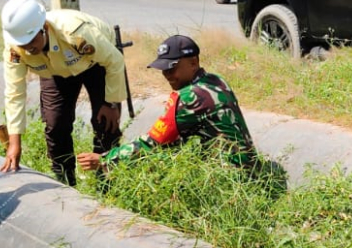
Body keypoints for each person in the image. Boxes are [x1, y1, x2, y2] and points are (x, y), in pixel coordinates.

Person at [77, 35, 256, 174]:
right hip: (250, 168)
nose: (167, 75)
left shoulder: (188, 98)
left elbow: (152, 143)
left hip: (227, 179)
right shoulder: (216, 81)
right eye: (163, 70)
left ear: (193, 63)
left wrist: (104, 159)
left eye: (172, 68)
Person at [0, 0, 127, 186]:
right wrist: (14, 142)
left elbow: (114, 61)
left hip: (96, 63)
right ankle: (65, 182)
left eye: (32, 41)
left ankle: (106, 182)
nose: (29, 48)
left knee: (105, 123)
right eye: (23, 44)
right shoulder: (15, 49)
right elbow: (14, 93)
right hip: (54, 70)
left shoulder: (76, 32)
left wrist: (111, 103)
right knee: (55, 124)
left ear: (44, 27)